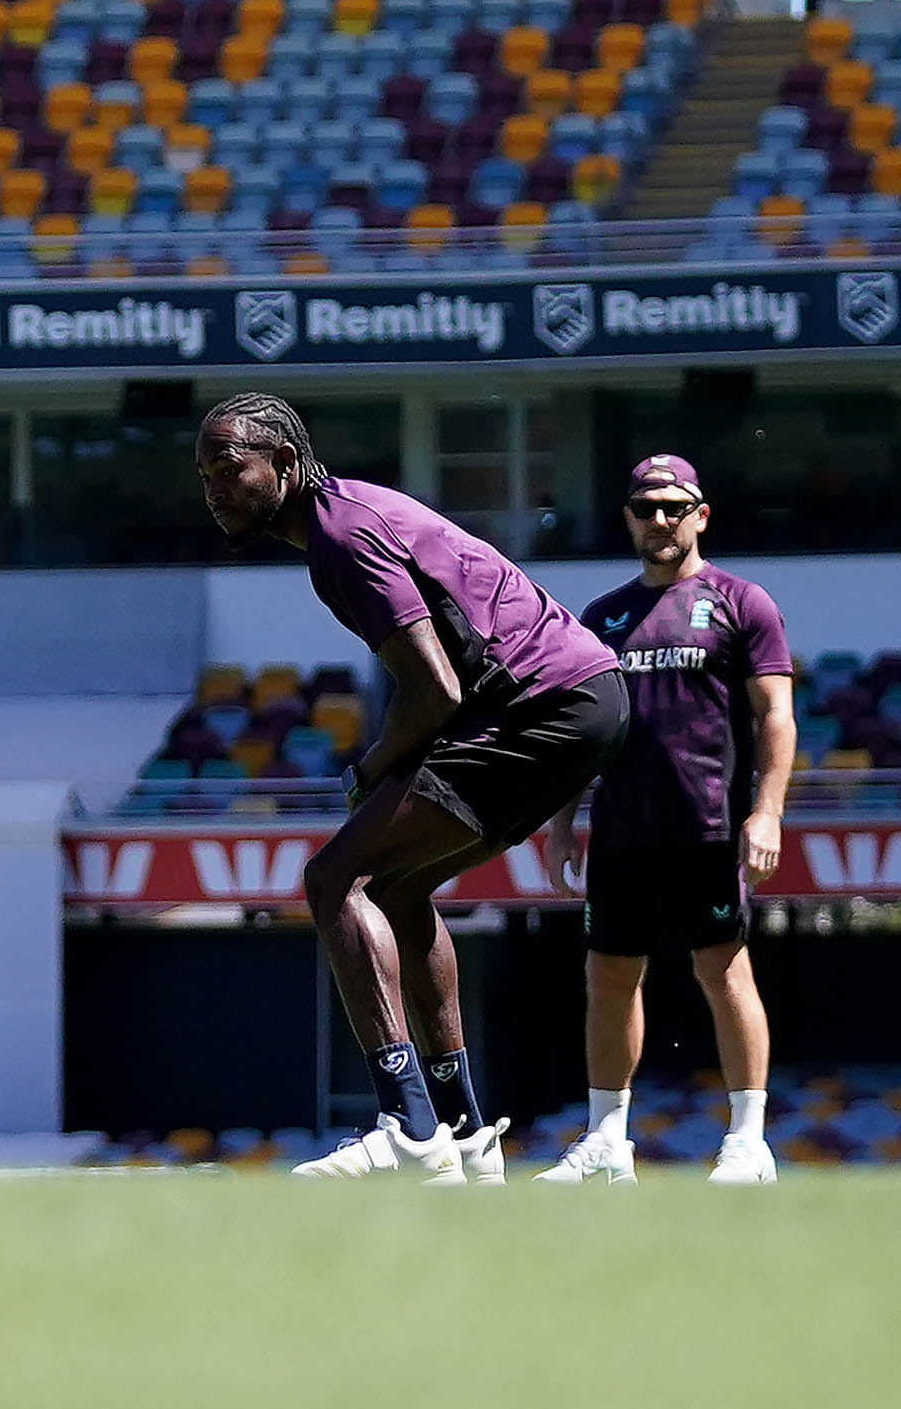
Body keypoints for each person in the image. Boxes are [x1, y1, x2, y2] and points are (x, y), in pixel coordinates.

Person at [193, 393, 627, 1183]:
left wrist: (372, 766)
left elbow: (433, 690)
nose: (212, 487)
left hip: (545, 705)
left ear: (285, 463)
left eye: (227, 467)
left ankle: (408, 1128)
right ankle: (462, 1135)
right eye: (203, 473)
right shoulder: (344, 518)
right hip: (583, 704)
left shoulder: (341, 537)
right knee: (394, 890)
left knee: (333, 880)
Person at [548, 455, 791, 1188]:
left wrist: (768, 811)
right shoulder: (601, 617)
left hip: (708, 825)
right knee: (607, 978)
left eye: (673, 506)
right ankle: (605, 1141)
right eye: (646, 507)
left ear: (700, 514)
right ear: (627, 518)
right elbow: (580, 730)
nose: (660, 519)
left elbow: (775, 714)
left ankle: (747, 1141)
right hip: (620, 831)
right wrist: (562, 823)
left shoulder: (741, 603)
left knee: (721, 971)